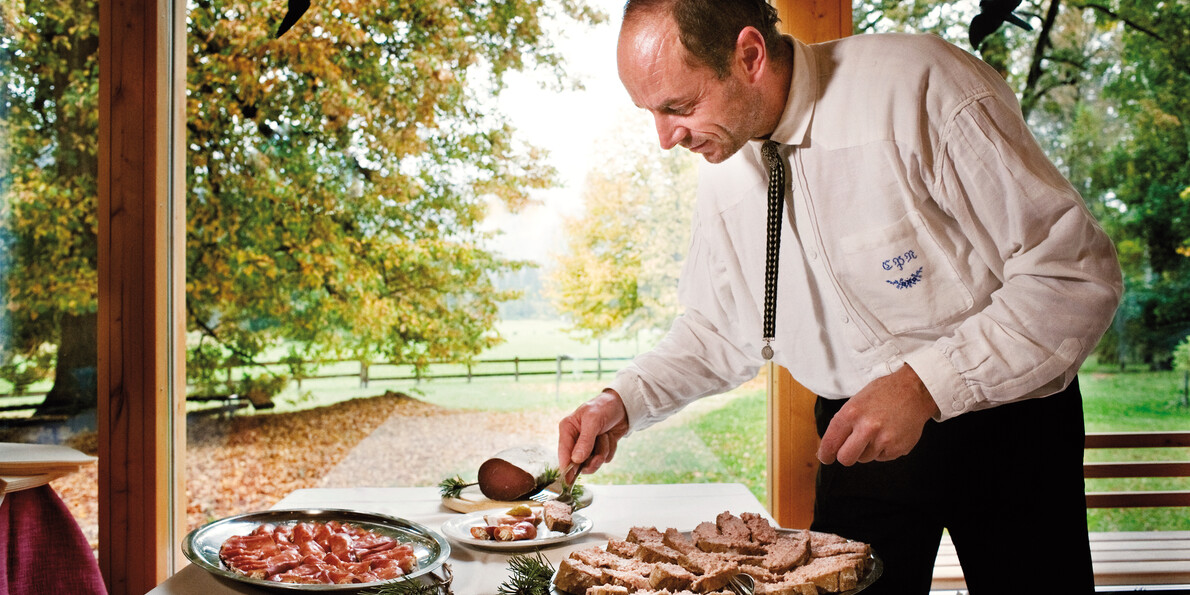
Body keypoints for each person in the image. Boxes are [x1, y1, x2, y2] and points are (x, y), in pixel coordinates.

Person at [555, 0, 1123, 594]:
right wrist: (620, 400)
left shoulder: (920, 87)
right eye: (650, 112)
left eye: (679, 106)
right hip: (856, 444)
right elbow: (718, 331)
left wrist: (922, 385)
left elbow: (1072, 275)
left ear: (749, 55)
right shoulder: (724, 165)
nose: (666, 139)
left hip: (1010, 426)